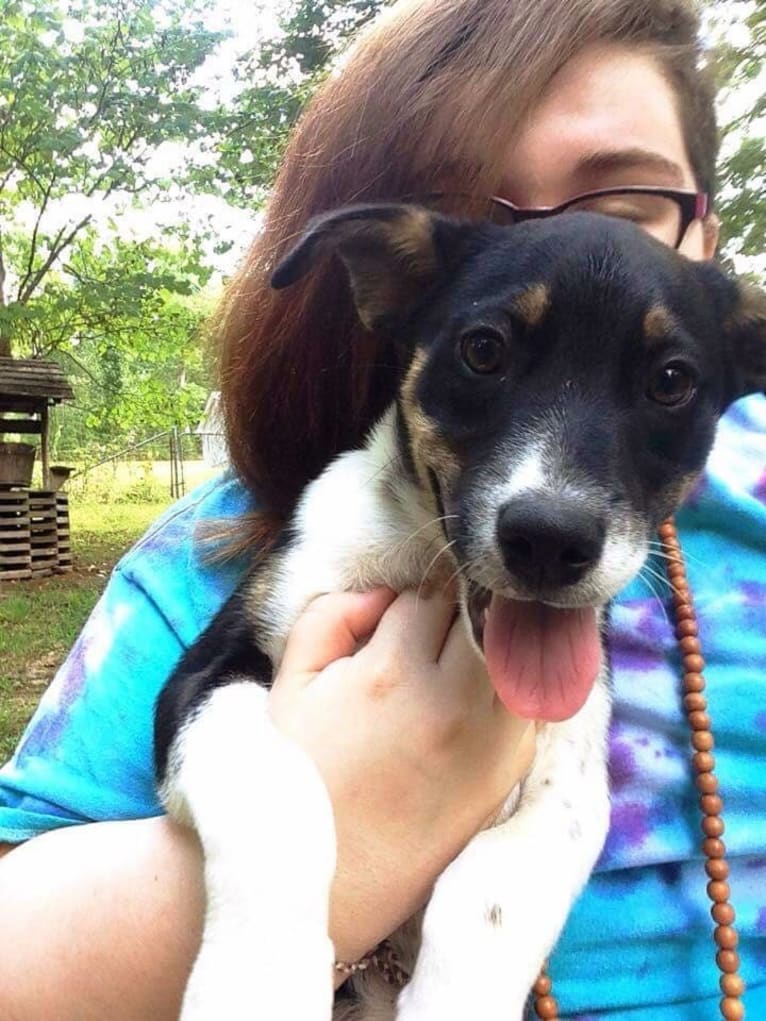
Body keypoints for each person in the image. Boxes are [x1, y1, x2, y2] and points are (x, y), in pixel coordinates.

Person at [1, 0, 764, 1017]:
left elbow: (567, 813)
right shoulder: (259, 543)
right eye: (487, 345)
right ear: (398, 283)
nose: (552, 502)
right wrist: (314, 859)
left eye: (617, 206)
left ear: (704, 238)